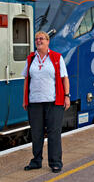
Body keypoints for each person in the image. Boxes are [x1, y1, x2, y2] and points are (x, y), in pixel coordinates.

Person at [22, 31, 71, 173]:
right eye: (36, 39)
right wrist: (25, 99)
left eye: (41, 38)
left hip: (53, 102)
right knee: (36, 133)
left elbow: (64, 78)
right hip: (35, 102)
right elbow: (26, 79)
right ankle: (36, 161)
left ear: (48, 41)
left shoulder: (56, 57)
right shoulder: (31, 59)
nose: (38, 41)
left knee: (53, 133)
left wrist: (67, 96)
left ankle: (55, 162)